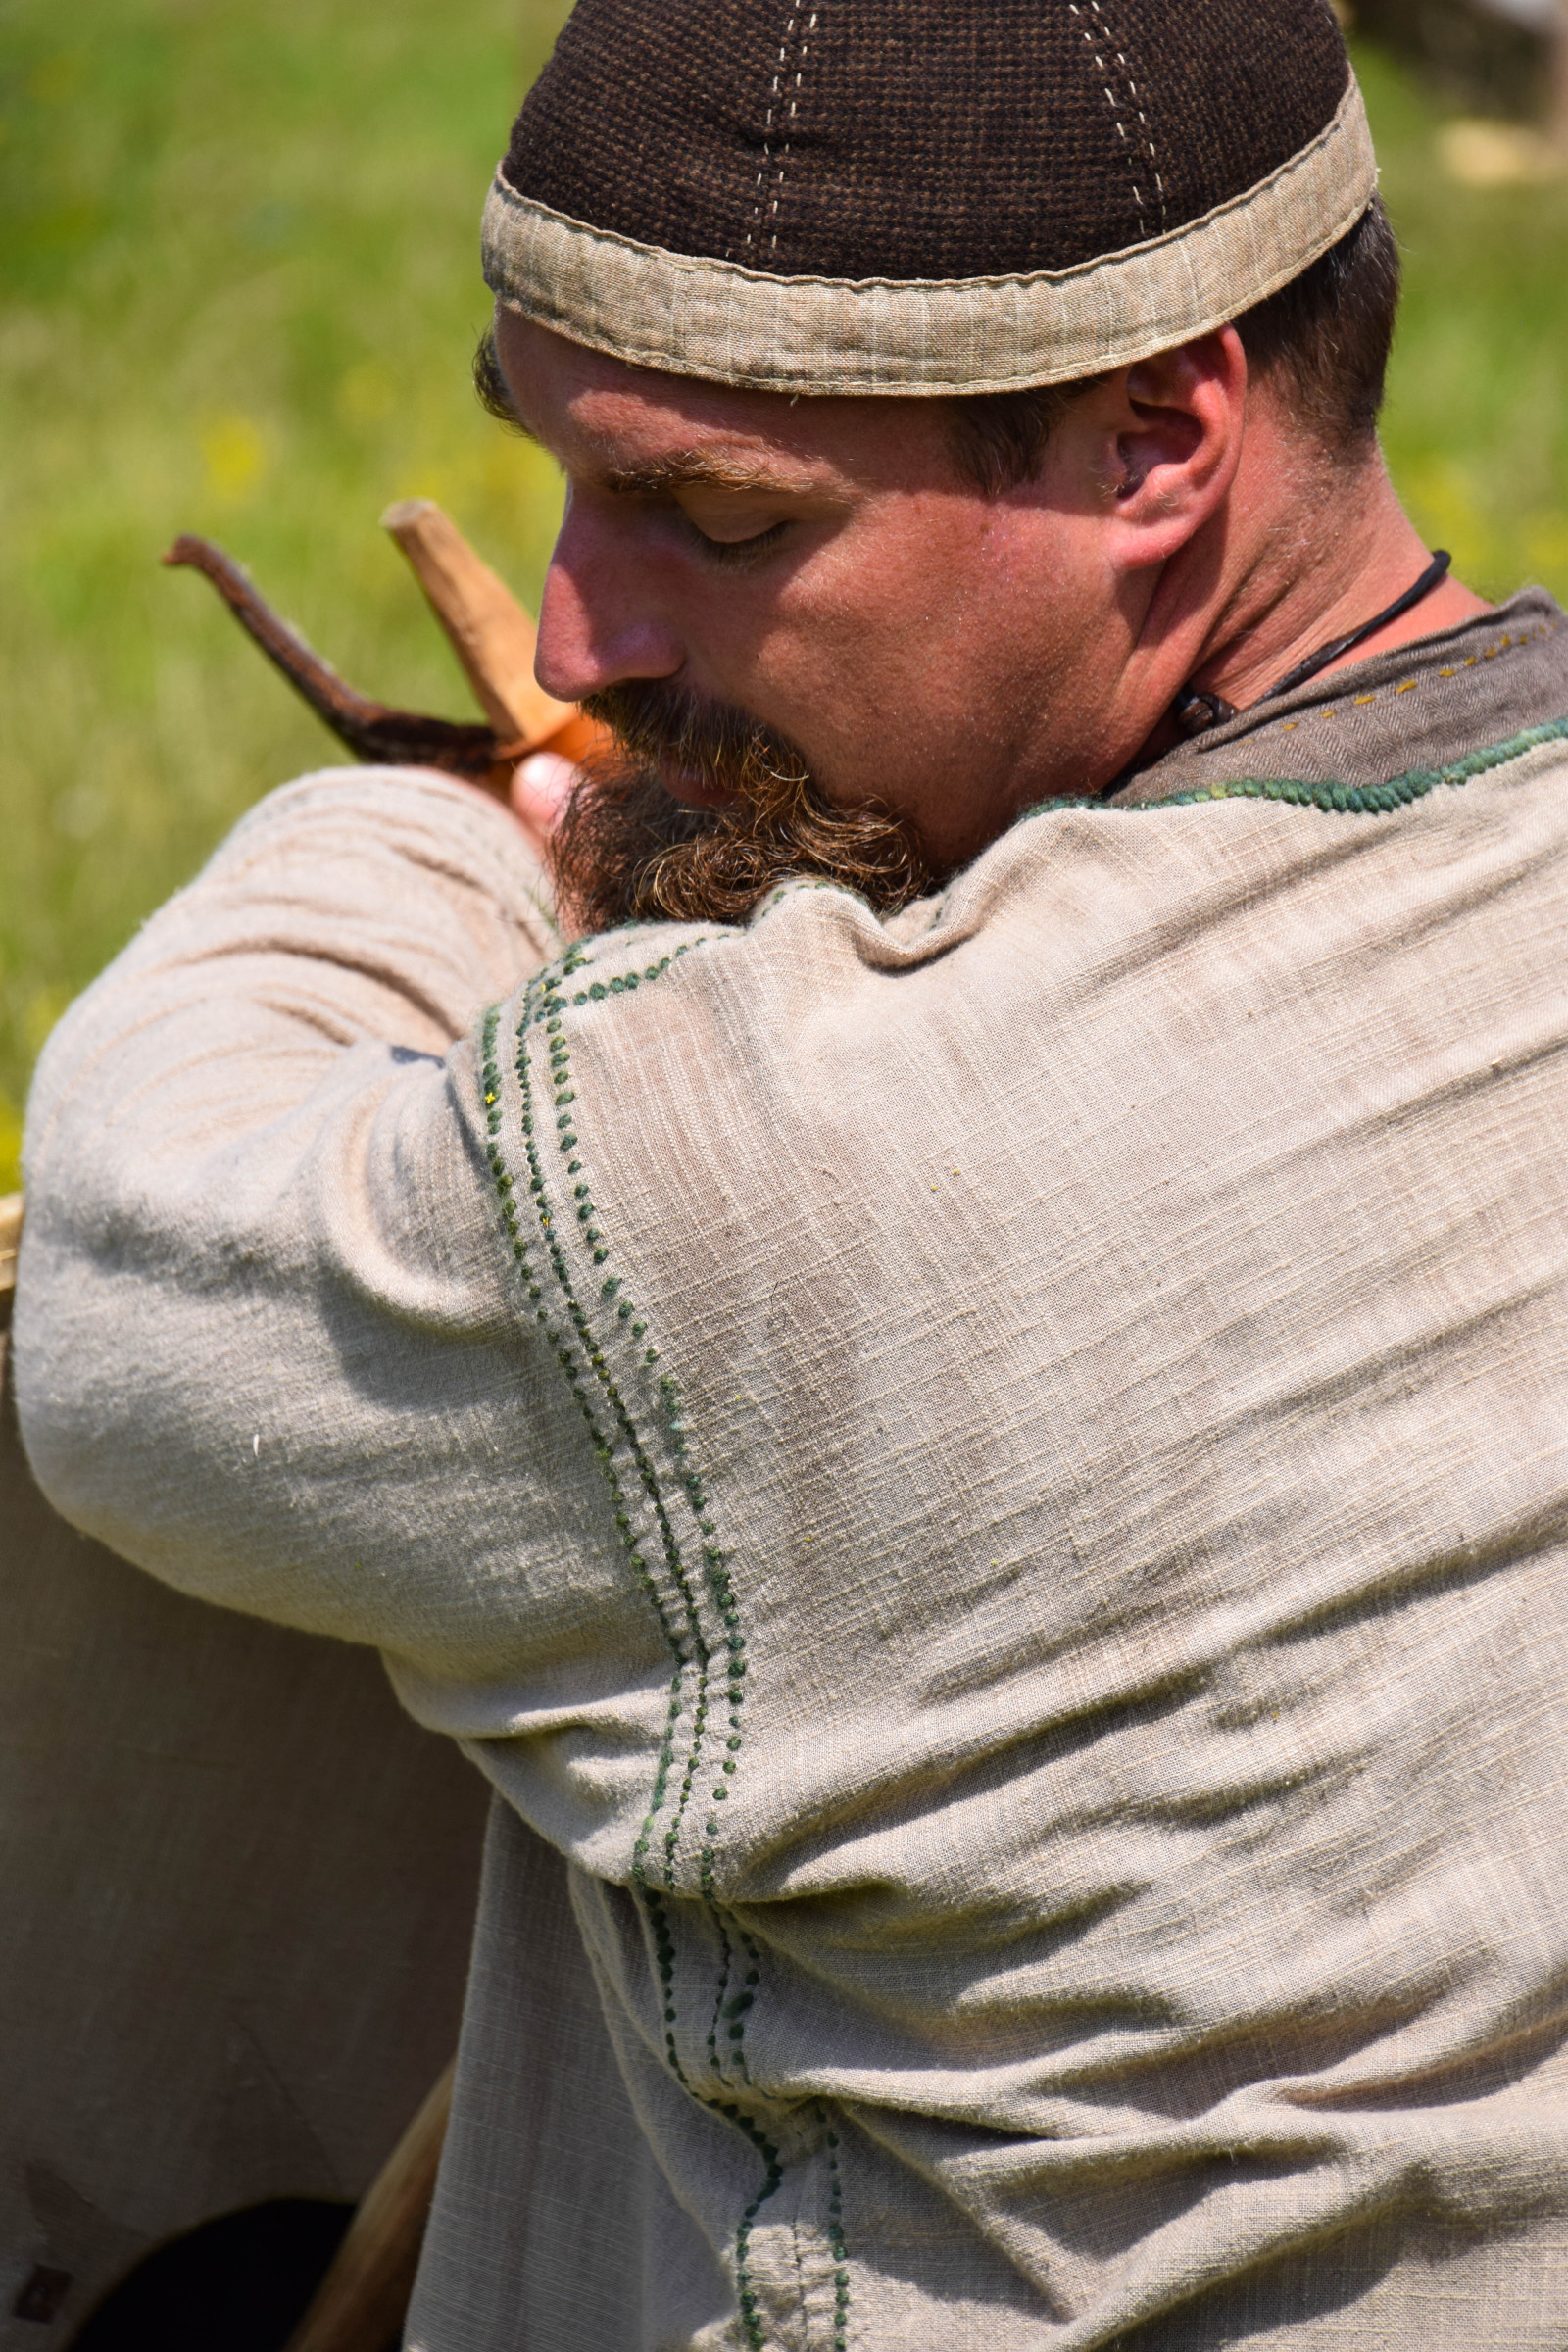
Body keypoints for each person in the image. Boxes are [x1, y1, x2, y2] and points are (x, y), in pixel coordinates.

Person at [15, 0, 1568, 2342]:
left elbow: (144, 1285)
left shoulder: (791, 1170)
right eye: (551, 470)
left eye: (716, 514)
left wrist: (470, 834)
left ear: (1159, 434)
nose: (568, 628)